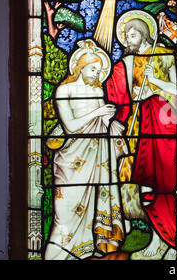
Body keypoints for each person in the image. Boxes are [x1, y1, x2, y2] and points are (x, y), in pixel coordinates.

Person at [45, 40, 128, 260]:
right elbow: (70, 127)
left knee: (88, 211)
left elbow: (99, 124)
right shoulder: (64, 90)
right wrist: (98, 112)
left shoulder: (97, 90)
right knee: (64, 213)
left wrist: (106, 116)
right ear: (80, 66)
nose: (98, 73)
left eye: (101, 70)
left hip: (95, 157)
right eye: (94, 68)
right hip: (71, 159)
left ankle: (80, 254)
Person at [106, 13, 177, 259]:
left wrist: (155, 82)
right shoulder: (130, 61)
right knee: (148, 184)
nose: (128, 39)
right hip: (143, 127)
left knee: (167, 182)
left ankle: (173, 242)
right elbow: (131, 96)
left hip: (166, 125)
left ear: (145, 34)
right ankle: (158, 241)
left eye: (133, 34)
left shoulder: (166, 55)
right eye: (126, 35)